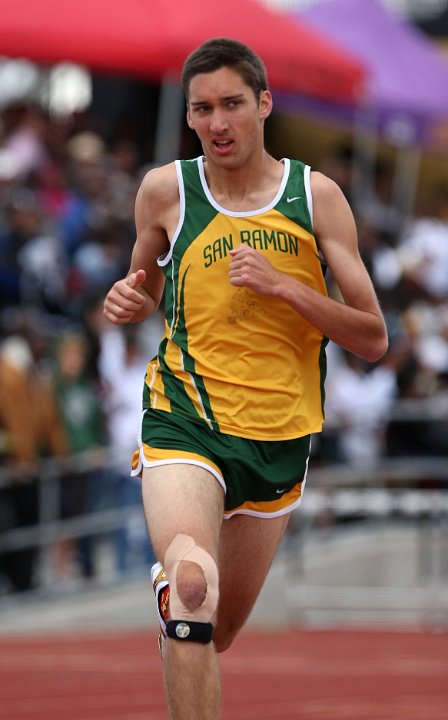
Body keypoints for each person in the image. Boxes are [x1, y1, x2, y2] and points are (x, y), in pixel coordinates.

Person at [103, 37, 388, 720]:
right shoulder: (165, 190)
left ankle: (178, 593)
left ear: (264, 103)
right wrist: (123, 303)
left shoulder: (315, 198)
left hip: (280, 436)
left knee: (217, 629)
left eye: (232, 104)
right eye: (203, 109)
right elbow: (142, 291)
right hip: (184, 416)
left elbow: (373, 336)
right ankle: (182, 581)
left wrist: (289, 290)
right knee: (197, 590)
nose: (218, 122)